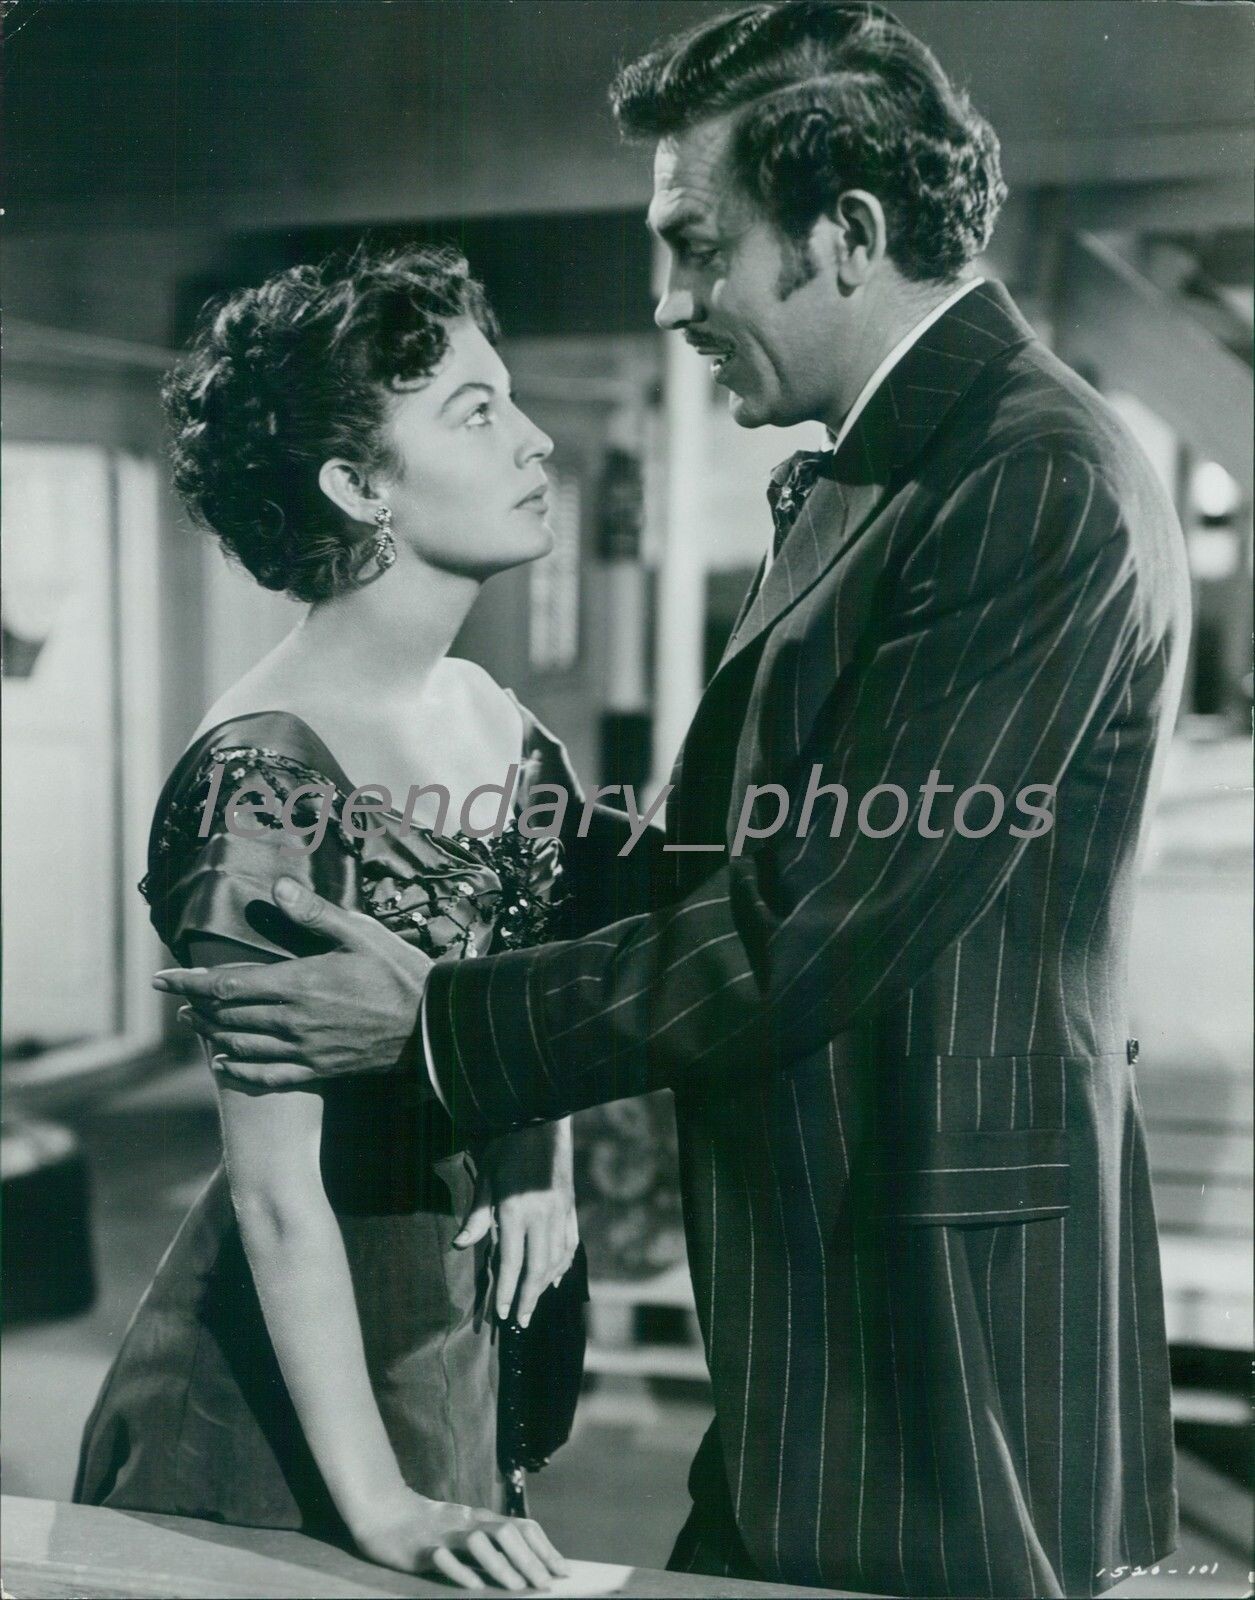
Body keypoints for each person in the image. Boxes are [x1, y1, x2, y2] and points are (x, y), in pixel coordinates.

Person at [156, 6, 1191, 1595]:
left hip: (940, 1270)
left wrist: (443, 1028)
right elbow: (746, 862)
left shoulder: (1023, 475)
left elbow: (812, 925)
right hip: (845, 1249)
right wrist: (489, 849)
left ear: (846, 236)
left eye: (698, 246)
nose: (668, 301)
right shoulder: (906, 460)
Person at [76, 244, 588, 1592]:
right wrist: (382, 1506)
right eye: (475, 412)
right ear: (360, 487)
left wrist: (540, 1156)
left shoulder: (502, 725)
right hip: (293, 1382)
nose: (535, 438)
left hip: (454, 1323)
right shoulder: (261, 774)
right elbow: (274, 1191)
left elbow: (539, 977)